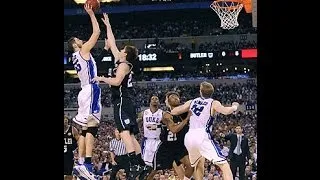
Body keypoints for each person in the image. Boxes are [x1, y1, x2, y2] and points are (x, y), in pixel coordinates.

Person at [93, 13, 146, 180]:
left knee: (124, 133)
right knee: (129, 135)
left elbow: (116, 82)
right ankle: (141, 164)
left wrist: (101, 78)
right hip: (125, 101)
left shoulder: (123, 65)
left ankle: (135, 163)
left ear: (126, 54)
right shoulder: (120, 61)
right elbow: (113, 43)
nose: (120, 50)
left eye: (123, 50)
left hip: (122, 101)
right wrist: (108, 26)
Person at [170, 81, 239, 180]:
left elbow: (174, 111)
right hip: (202, 135)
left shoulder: (192, 101)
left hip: (189, 136)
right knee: (224, 165)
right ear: (212, 92)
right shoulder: (213, 102)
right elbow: (226, 111)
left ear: (200, 91)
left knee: (196, 164)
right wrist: (234, 106)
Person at [67, 4, 101, 179]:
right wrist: (91, 14)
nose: (82, 40)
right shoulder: (82, 51)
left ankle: (81, 163)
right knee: (92, 128)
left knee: (83, 129)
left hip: (83, 91)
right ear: (75, 44)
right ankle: (86, 164)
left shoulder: (75, 57)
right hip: (90, 90)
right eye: (79, 39)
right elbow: (96, 33)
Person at [147, 91, 193, 180]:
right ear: (167, 101)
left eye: (177, 97)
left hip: (180, 145)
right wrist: (186, 120)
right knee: (154, 171)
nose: (176, 98)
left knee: (190, 166)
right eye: (172, 97)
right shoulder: (167, 114)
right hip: (167, 146)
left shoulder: (184, 112)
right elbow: (174, 130)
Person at [138, 96, 163, 178]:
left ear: (159, 102)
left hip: (158, 140)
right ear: (149, 102)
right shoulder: (143, 113)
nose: (155, 100)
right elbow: (137, 123)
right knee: (145, 164)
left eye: (157, 99)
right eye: (153, 99)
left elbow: (167, 125)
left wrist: (157, 126)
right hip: (147, 140)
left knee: (156, 165)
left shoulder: (162, 113)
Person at [64, 116, 79, 180]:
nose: (65, 121)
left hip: (69, 155)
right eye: (64, 120)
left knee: (69, 174)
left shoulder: (73, 129)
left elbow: (79, 141)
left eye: (66, 120)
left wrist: (77, 152)